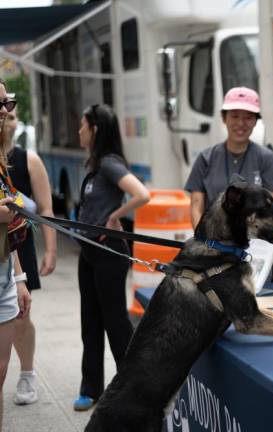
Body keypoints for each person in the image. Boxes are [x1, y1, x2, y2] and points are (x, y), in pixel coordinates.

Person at [74, 104, 150, 411]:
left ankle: (132, 390)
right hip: (89, 252)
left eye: (82, 126)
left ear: (95, 130)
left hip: (109, 252)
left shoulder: (108, 163)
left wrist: (115, 217)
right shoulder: (93, 165)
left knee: (116, 323)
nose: (79, 131)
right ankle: (91, 389)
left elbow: (142, 194)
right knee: (89, 323)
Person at [1, 104, 57, 406]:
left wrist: (50, 250)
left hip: (19, 246)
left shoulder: (28, 160)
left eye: (11, 117)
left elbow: (46, 210)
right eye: (3, 116)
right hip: (4, 243)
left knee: (23, 315)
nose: (7, 121)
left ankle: (26, 374)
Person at [185, 87, 273, 228]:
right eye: (235, 116)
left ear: (255, 121)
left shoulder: (267, 159)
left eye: (248, 117)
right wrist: (205, 239)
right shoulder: (205, 158)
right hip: (214, 241)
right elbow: (196, 207)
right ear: (224, 118)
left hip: (253, 242)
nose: (241, 123)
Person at [0, 78, 32, 431]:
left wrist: (20, 278)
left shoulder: (3, 159)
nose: (6, 111)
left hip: (5, 273)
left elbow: (9, 228)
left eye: (6, 103)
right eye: (0, 105)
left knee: (1, 371)